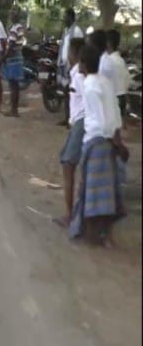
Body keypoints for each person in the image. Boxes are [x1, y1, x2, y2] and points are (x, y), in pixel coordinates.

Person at [69, 44, 127, 246]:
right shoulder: (105, 82)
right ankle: (107, 235)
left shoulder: (90, 86)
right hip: (109, 141)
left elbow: (100, 121)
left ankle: (92, 235)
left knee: (91, 190)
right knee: (109, 190)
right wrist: (117, 141)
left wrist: (109, 137)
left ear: (83, 64)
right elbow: (115, 112)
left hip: (96, 140)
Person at [56, 37, 86, 228]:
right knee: (69, 163)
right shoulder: (76, 73)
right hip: (77, 123)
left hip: (81, 124)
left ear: (74, 54)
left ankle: (70, 214)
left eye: (69, 51)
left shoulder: (80, 77)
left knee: (69, 164)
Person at [57, 8, 85, 126]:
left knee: (74, 92)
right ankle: (67, 117)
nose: (64, 18)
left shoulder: (76, 30)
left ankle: (74, 119)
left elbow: (78, 48)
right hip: (64, 63)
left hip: (73, 65)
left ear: (72, 18)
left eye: (66, 16)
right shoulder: (66, 30)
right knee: (66, 91)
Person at [100, 29, 130, 128]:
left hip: (113, 99)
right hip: (121, 97)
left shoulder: (108, 61)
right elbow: (127, 80)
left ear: (108, 43)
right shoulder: (120, 60)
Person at [3, 24, 25, 117]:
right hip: (16, 57)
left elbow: (11, 46)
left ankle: (14, 110)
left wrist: (3, 58)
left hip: (14, 59)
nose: (12, 13)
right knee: (14, 86)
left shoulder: (16, 28)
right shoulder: (17, 27)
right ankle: (14, 109)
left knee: (13, 86)